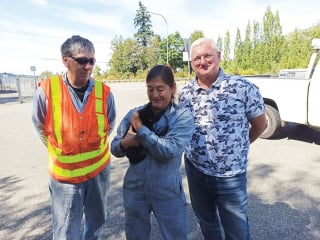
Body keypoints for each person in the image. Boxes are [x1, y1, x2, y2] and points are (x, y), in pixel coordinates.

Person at [178, 38, 267, 240]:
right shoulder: (185, 93)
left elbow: (261, 125)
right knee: (207, 222)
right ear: (191, 63)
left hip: (231, 176)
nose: (202, 61)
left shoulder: (242, 87)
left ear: (218, 56)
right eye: (197, 58)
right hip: (196, 170)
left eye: (207, 55)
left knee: (237, 230)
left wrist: (239, 147)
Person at [32, 35, 116, 240]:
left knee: (96, 223)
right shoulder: (47, 91)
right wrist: (61, 148)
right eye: (82, 60)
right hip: (65, 178)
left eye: (92, 61)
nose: (88, 66)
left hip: (98, 172)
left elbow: (109, 124)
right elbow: (40, 126)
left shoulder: (103, 92)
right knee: (66, 230)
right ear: (65, 60)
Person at [111, 65, 194, 240]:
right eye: (150, 89)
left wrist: (141, 130)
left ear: (172, 88)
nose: (155, 95)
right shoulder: (135, 113)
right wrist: (127, 142)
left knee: (175, 235)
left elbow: (168, 151)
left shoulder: (182, 116)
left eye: (160, 89)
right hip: (135, 188)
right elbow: (115, 148)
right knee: (135, 235)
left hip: (167, 189)